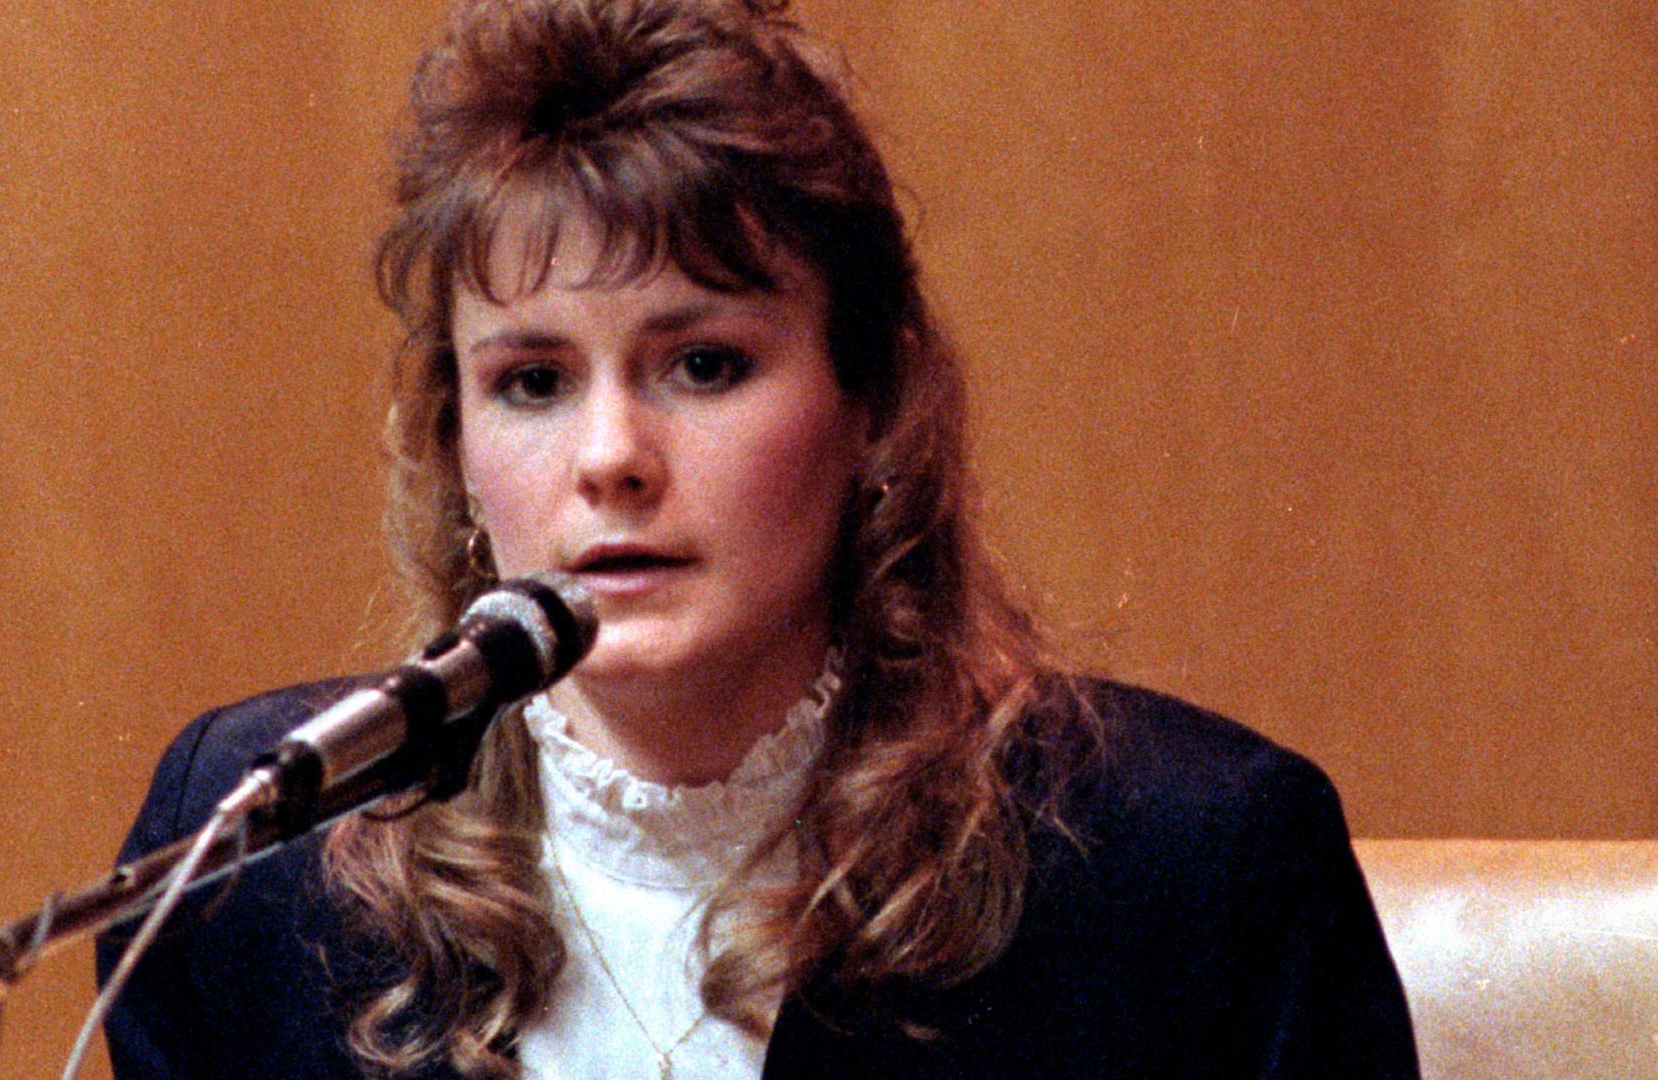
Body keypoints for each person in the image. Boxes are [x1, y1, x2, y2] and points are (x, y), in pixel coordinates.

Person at [98, 1, 1420, 1077]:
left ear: (873, 400)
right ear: (453, 443)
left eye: (705, 365)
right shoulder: (250, 865)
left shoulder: (1190, 871)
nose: (611, 457)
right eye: (533, 383)